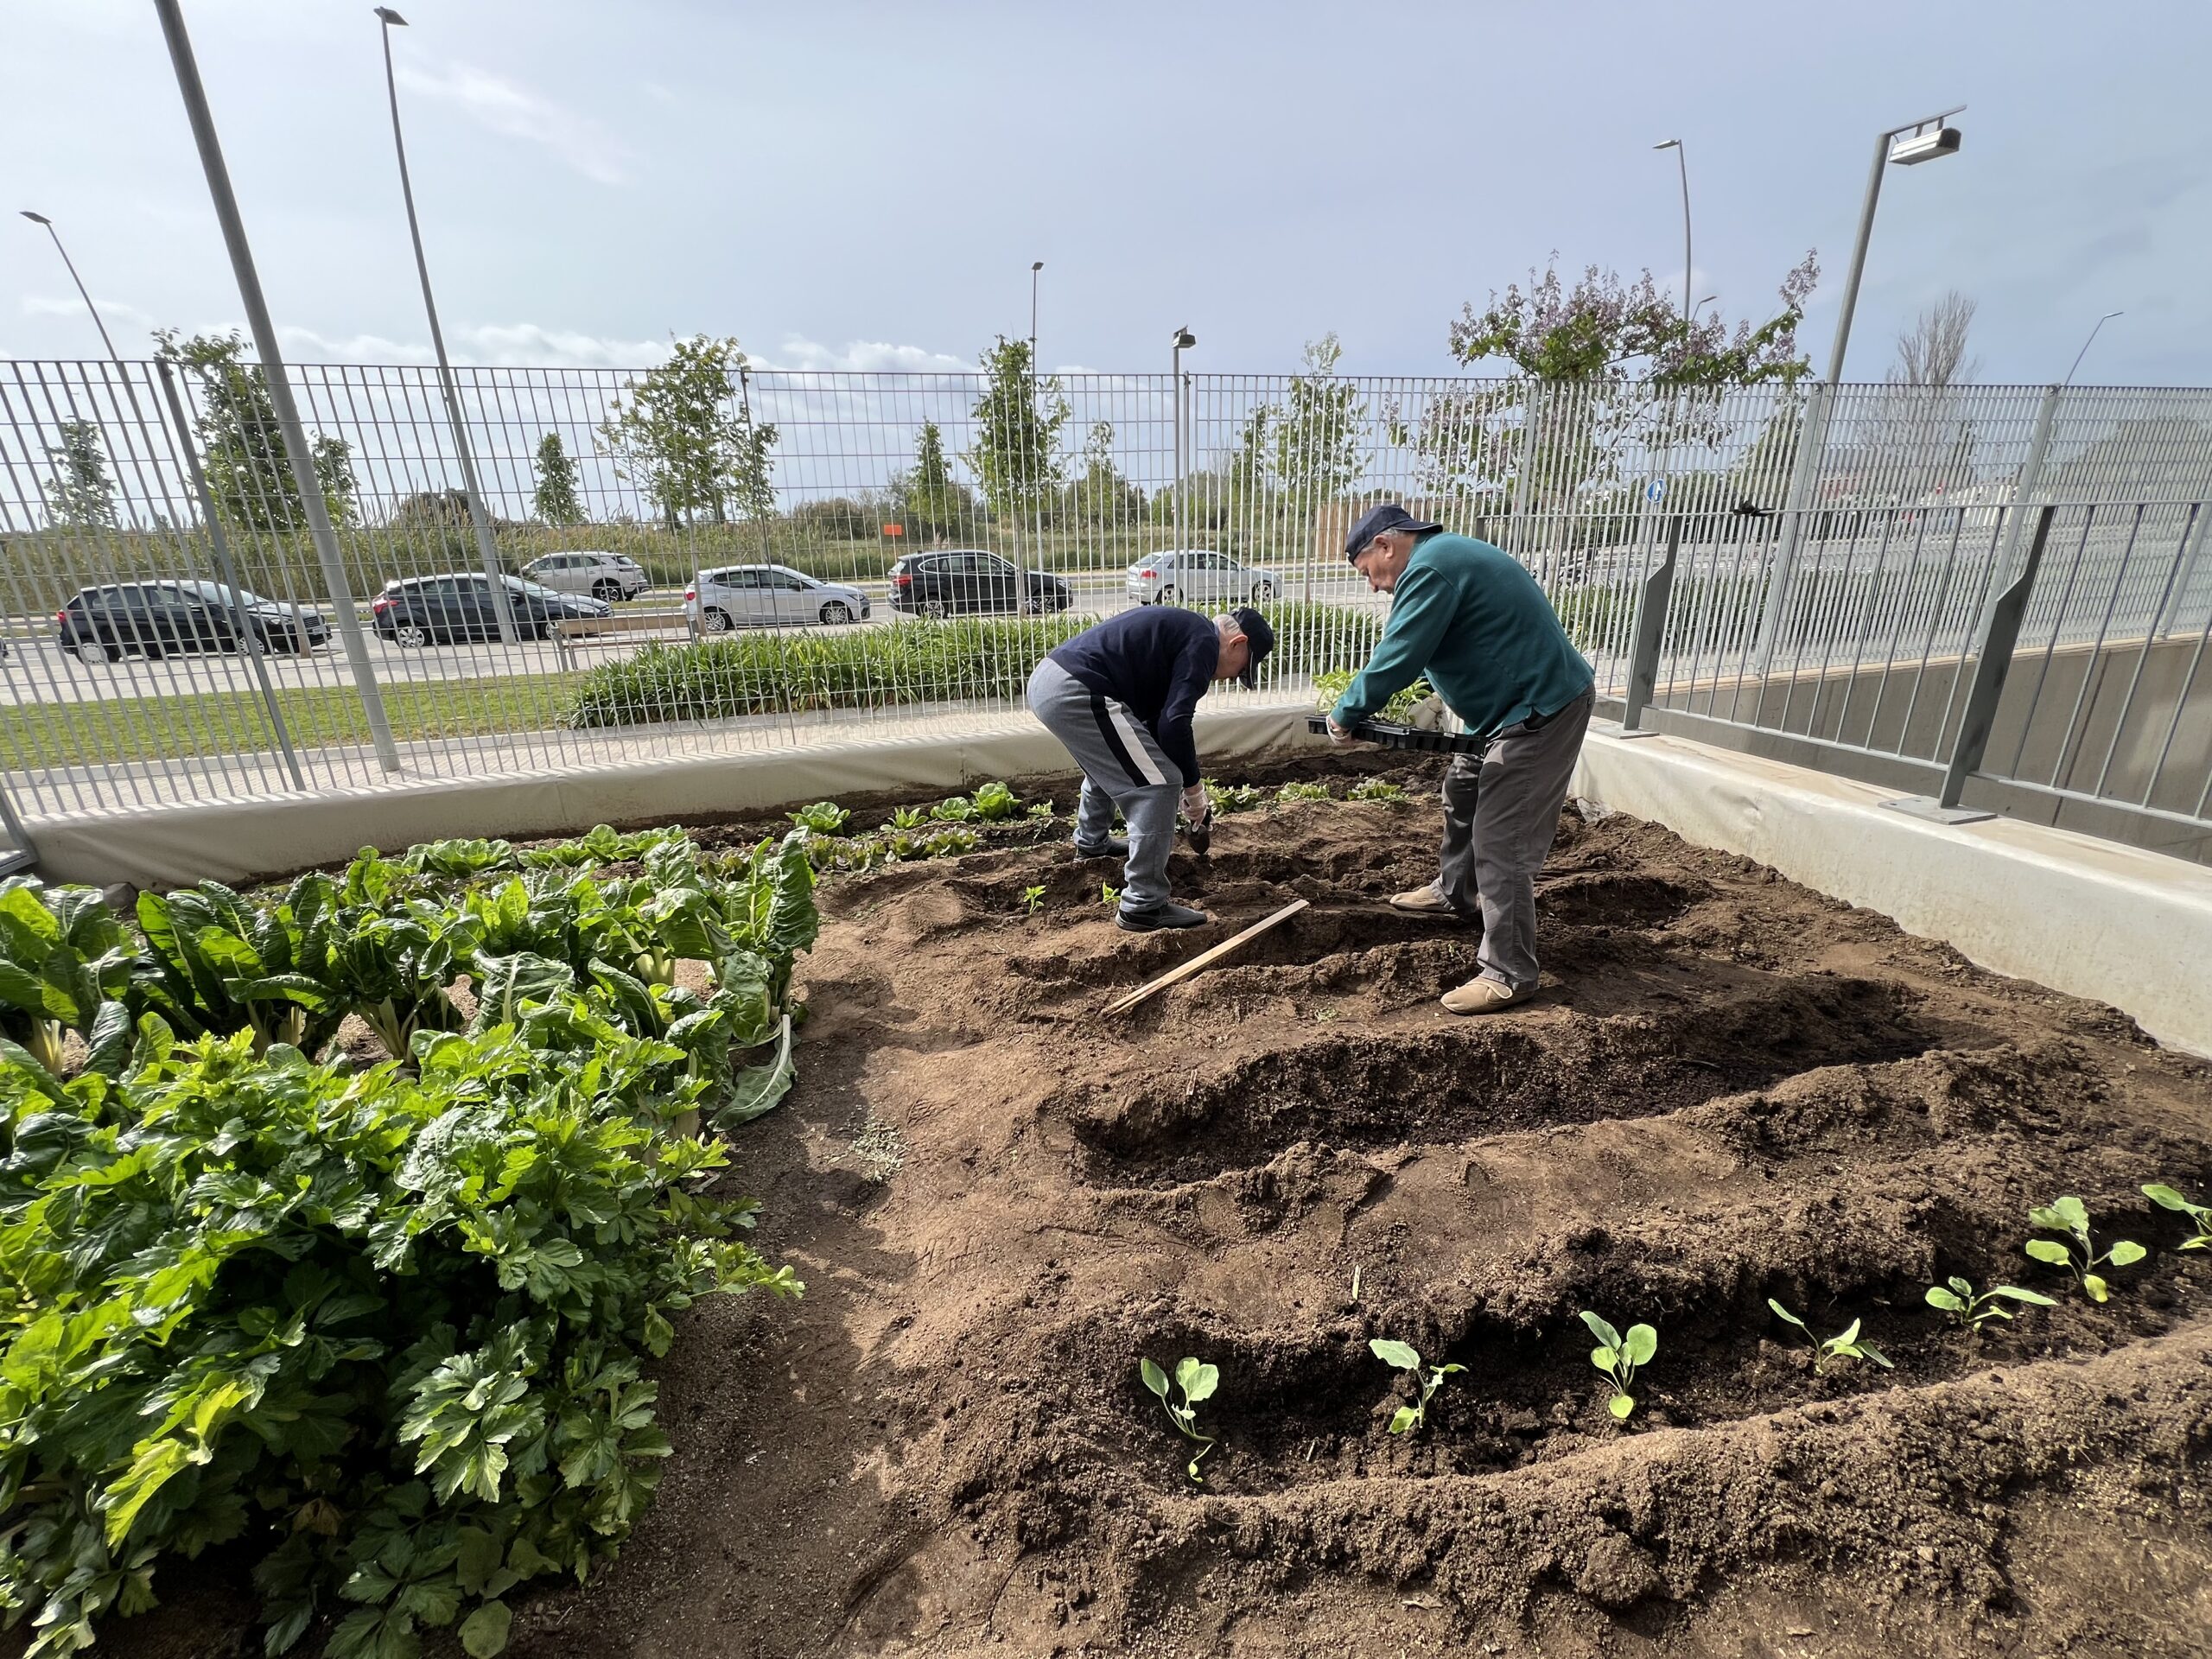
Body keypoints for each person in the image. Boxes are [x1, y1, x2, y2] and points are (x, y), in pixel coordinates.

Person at [1326, 504, 1595, 1014]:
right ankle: (1455, 891)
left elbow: (1400, 652)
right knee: (1463, 789)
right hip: (1500, 714)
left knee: (1502, 841)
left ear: (1386, 545)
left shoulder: (1430, 567)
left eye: (1367, 572)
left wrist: (1347, 712)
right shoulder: (1444, 559)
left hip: (1539, 711)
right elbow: (1458, 643)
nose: (1373, 586)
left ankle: (1509, 972)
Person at [1027, 604, 1274, 931]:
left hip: (1052, 680)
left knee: (1116, 765)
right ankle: (1143, 905)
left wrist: (1189, 784)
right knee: (1159, 785)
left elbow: (1158, 724)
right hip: (1077, 688)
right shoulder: (1203, 641)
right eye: (1243, 669)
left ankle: (1092, 844)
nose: (1234, 677)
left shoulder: (1187, 631)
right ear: (1237, 643)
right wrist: (1193, 790)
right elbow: (1174, 724)